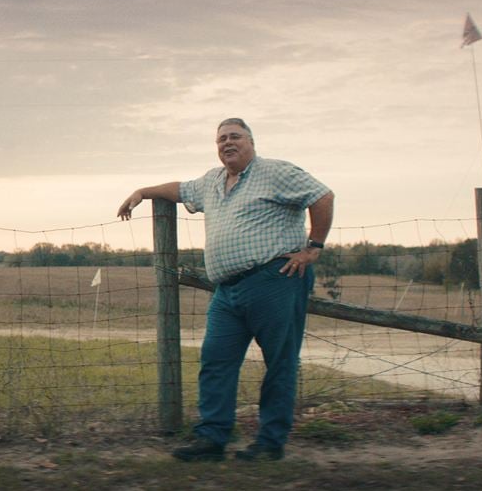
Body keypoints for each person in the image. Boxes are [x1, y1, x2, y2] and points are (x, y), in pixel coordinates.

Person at [117, 117, 334, 462]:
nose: (227, 143)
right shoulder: (213, 181)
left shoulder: (275, 172)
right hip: (227, 291)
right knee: (216, 360)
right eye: (221, 139)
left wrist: (313, 248)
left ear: (251, 141)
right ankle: (212, 440)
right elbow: (179, 189)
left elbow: (321, 195)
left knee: (279, 362)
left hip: (273, 280)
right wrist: (143, 191)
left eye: (235, 137)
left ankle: (269, 443)